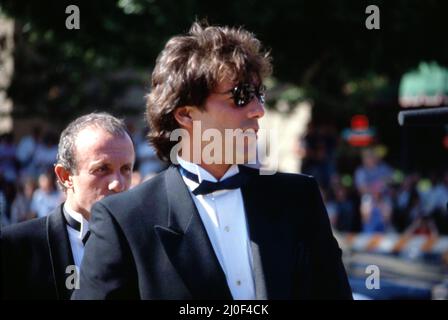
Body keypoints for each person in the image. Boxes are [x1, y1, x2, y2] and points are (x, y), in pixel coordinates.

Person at [73, 22, 352, 300]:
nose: (258, 110)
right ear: (185, 114)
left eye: (259, 95)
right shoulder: (125, 220)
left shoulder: (299, 199)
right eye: (241, 96)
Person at [1, 112, 135, 299]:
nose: (118, 184)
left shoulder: (149, 244)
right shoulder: (15, 248)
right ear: (65, 176)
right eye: (102, 169)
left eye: (126, 169)